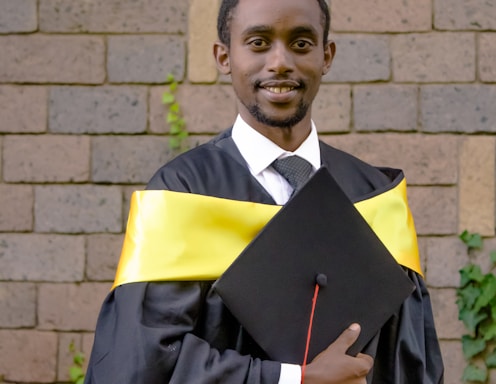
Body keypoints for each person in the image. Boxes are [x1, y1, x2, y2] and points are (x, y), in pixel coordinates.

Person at [85, 0, 444, 383]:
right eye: (257, 42)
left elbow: (409, 360)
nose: (280, 62)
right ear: (224, 57)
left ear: (327, 56)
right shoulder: (183, 195)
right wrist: (293, 379)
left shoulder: (373, 196)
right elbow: (144, 358)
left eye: (301, 44)